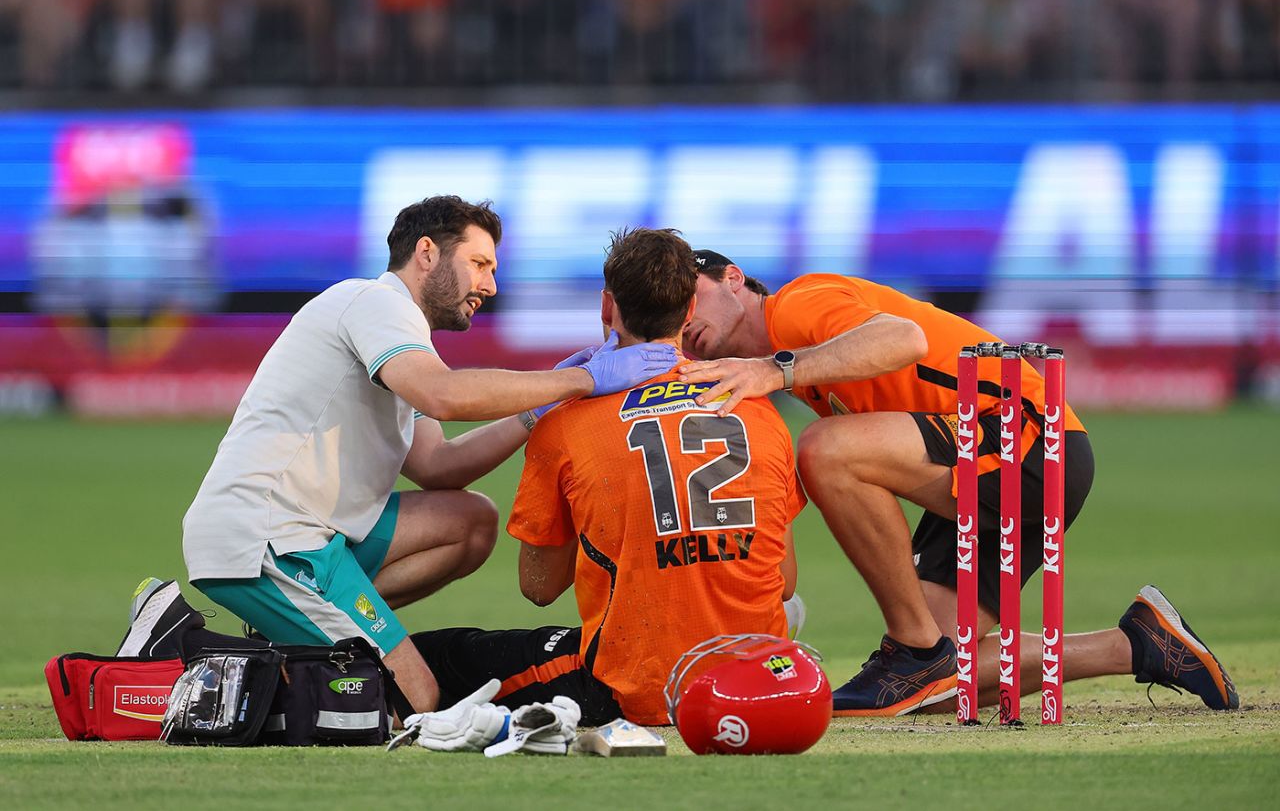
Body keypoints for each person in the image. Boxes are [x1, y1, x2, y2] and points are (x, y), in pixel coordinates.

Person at [114, 195, 677, 715]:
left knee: (470, 521)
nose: (491, 285)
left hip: (316, 537)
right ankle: (183, 649)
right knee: (413, 695)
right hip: (268, 538)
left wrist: (538, 412)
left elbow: (438, 466)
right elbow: (446, 396)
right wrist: (580, 381)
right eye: (480, 264)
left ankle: (300, 634)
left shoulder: (401, 338)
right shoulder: (376, 304)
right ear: (427, 253)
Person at [676, 252, 1238, 716]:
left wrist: (776, 369)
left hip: (1027, 437)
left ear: (732, 279)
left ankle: (909, 647)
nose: (685, 320)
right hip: (993, 457)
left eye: (691, 296)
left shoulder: (796, 304)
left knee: (826, 449)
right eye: (672, 315)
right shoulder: (784, 358)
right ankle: (1142, 644)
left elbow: (905, 339)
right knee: (941, 687)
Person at [406, 227, 808, 730]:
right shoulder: (758, 408)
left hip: (628, 688)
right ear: (688, 313)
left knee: (431, 656)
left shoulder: (566, 423)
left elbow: (538, 586)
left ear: (606, 306)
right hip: (751, 684)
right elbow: (785, 580)